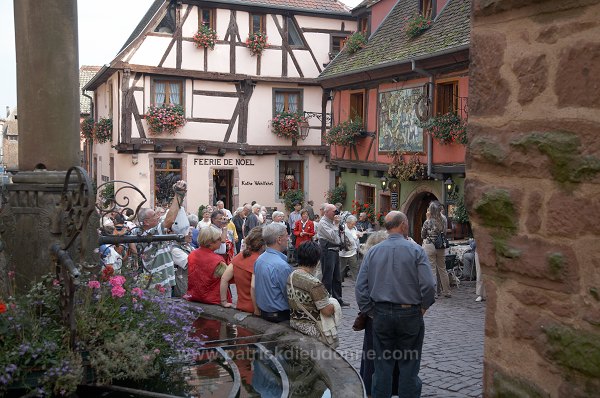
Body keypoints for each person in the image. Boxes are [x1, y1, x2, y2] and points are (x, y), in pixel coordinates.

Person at [356, 211, 436, 398]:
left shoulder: (373, 252)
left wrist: (371, 311)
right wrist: (423, 307)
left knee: (382, 365)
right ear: (403, 225)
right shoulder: (416, 250)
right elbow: (429, 285)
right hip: (409, 312)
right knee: (409, 365)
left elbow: (360, 288)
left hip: (381, 313)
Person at [356, 230, 392, 396]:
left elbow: (361, 288)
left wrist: (368, 310)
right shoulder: (391, 259)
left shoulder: (369, 260)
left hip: (374, 312)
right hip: (389, 312)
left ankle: (370, 387)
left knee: (371, 353)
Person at [136, 181, 186, 295]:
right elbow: (170, 220)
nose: (158, 216)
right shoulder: (148, 234)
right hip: (157, 286)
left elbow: (172, 216)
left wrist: (180, 195)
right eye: (154, 215)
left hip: (162, 283)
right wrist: (178, 194)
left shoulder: (151, 232)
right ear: (146, 222)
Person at [287, 241, 340, 347]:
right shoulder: (314, 284)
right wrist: (334, 303)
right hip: (313, 332)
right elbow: (326, 311)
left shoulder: (291, 276)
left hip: (295, 325)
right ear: (316, 260)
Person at [219, 226, 265, 314]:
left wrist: (223, 301)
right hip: (256, 308)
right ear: (263, 245)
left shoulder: (240, 256)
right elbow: (253, 287)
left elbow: (224, 278)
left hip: (241, 305)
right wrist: (256, 310)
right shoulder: (259, 260)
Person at [254, 222, 293, 323]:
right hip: (279, 316)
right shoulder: (282, 266)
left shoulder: (260, 259)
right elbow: (289, 295)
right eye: (286, 235)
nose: (288, 238)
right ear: (279, 239)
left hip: (265, 312)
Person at [186, 226, 231, 305]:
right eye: (219, 239)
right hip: (213, 299)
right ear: (210, 242)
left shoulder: (192, 254)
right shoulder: (217, 260)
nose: (221, 241)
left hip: (194, 296)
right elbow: (229, 279)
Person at [318, 203, 349, 307]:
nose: (336, 213)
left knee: (337, 277)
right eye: (334, 211)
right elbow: (333, 237)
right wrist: (336, 225)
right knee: (327, 276)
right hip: (327, 251)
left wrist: (338, 225)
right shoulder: (323, 223)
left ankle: (338, 299)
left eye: (337, 211)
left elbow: (340, 237)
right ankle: (325, 300)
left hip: (335, 250)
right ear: (326, 212)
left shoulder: (333, 221)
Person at [421, 201, 452, 298]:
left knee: (432, 270)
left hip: (430, 245)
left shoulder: (428, 221)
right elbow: (445, 233)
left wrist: (427, 219)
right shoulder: (444, 220)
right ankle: (447, 291)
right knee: (443, 269)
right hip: (440, 246)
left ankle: (434, 293)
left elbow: (423, 235)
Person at [171, 227, 193, 297]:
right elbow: (190, 263)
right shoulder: (175, 249)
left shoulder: (188, 246)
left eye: (191, 233)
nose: (191, 235)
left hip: (190, 282)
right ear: (180, 235)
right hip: (182, 284)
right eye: (188, 233)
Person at [339, 215, 360, 280]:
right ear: (347, 222)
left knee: (355, 268)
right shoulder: (342, 228)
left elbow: (355, 238)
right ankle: (339, 283)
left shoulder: (354, 228)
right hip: (343, 253)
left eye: (354, 224)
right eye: (352, 224)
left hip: (353, 252)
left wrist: (358, 236)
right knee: (341, 269)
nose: (353, 225)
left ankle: (357, 283)